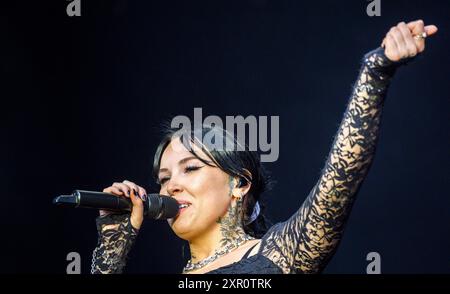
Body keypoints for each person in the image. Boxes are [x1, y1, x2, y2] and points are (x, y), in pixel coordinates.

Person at [91, 20, 437, 274]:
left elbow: (340, 177)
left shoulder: (277, 257)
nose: (170, 186)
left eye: (190, 168)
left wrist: (374, 72)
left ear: (239, 184)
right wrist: (111, 251)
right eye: (164, 179)